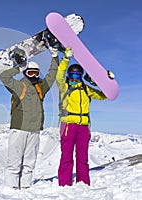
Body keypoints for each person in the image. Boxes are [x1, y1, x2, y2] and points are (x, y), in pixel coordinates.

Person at [0, 48, 59, 189]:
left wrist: (55, 56)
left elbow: (52, 75)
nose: (33, 75)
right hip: (19, 129)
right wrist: (19, 68)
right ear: (26, 72)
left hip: (35, 130)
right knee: (14, 161)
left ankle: (26, 187)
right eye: (30, 72)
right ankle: (11, 189)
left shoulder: (41, 88)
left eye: (36, 73)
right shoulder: (18, 86)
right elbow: (4, 77)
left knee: (30, 161)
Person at [56, 47, 107, 186]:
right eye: (73, 75)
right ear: (69, 75)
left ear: (81, 76)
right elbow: (59, 75)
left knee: (82, 157)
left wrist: (101, 82)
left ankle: (83, 183)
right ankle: (65, 184)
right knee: (66, 156)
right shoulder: (65, 87)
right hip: (68, 124)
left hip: (84, 126)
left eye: (78, 76)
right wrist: (66, 59)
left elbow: (103, 95)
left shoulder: (85, 88)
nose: (75, 78)